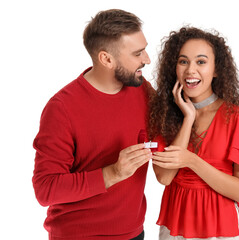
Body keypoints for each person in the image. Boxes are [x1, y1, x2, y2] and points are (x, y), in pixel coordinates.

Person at [32, 9, 153, 240]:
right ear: (106, 59)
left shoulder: (141, 89)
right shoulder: (61, 108)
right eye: (138, 53)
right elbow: (45, 189)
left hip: (134, 234)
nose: (147, 59)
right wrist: (113, 173)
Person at [148, 27, 239, 240]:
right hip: (175, 226)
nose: (190, 71)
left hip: (221, 228)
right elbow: (165, 177)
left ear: (216, 70)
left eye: (201, 62)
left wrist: (192, 161)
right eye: (183, 61)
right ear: (174, 67)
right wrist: (188, 118)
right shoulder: (165, 115)